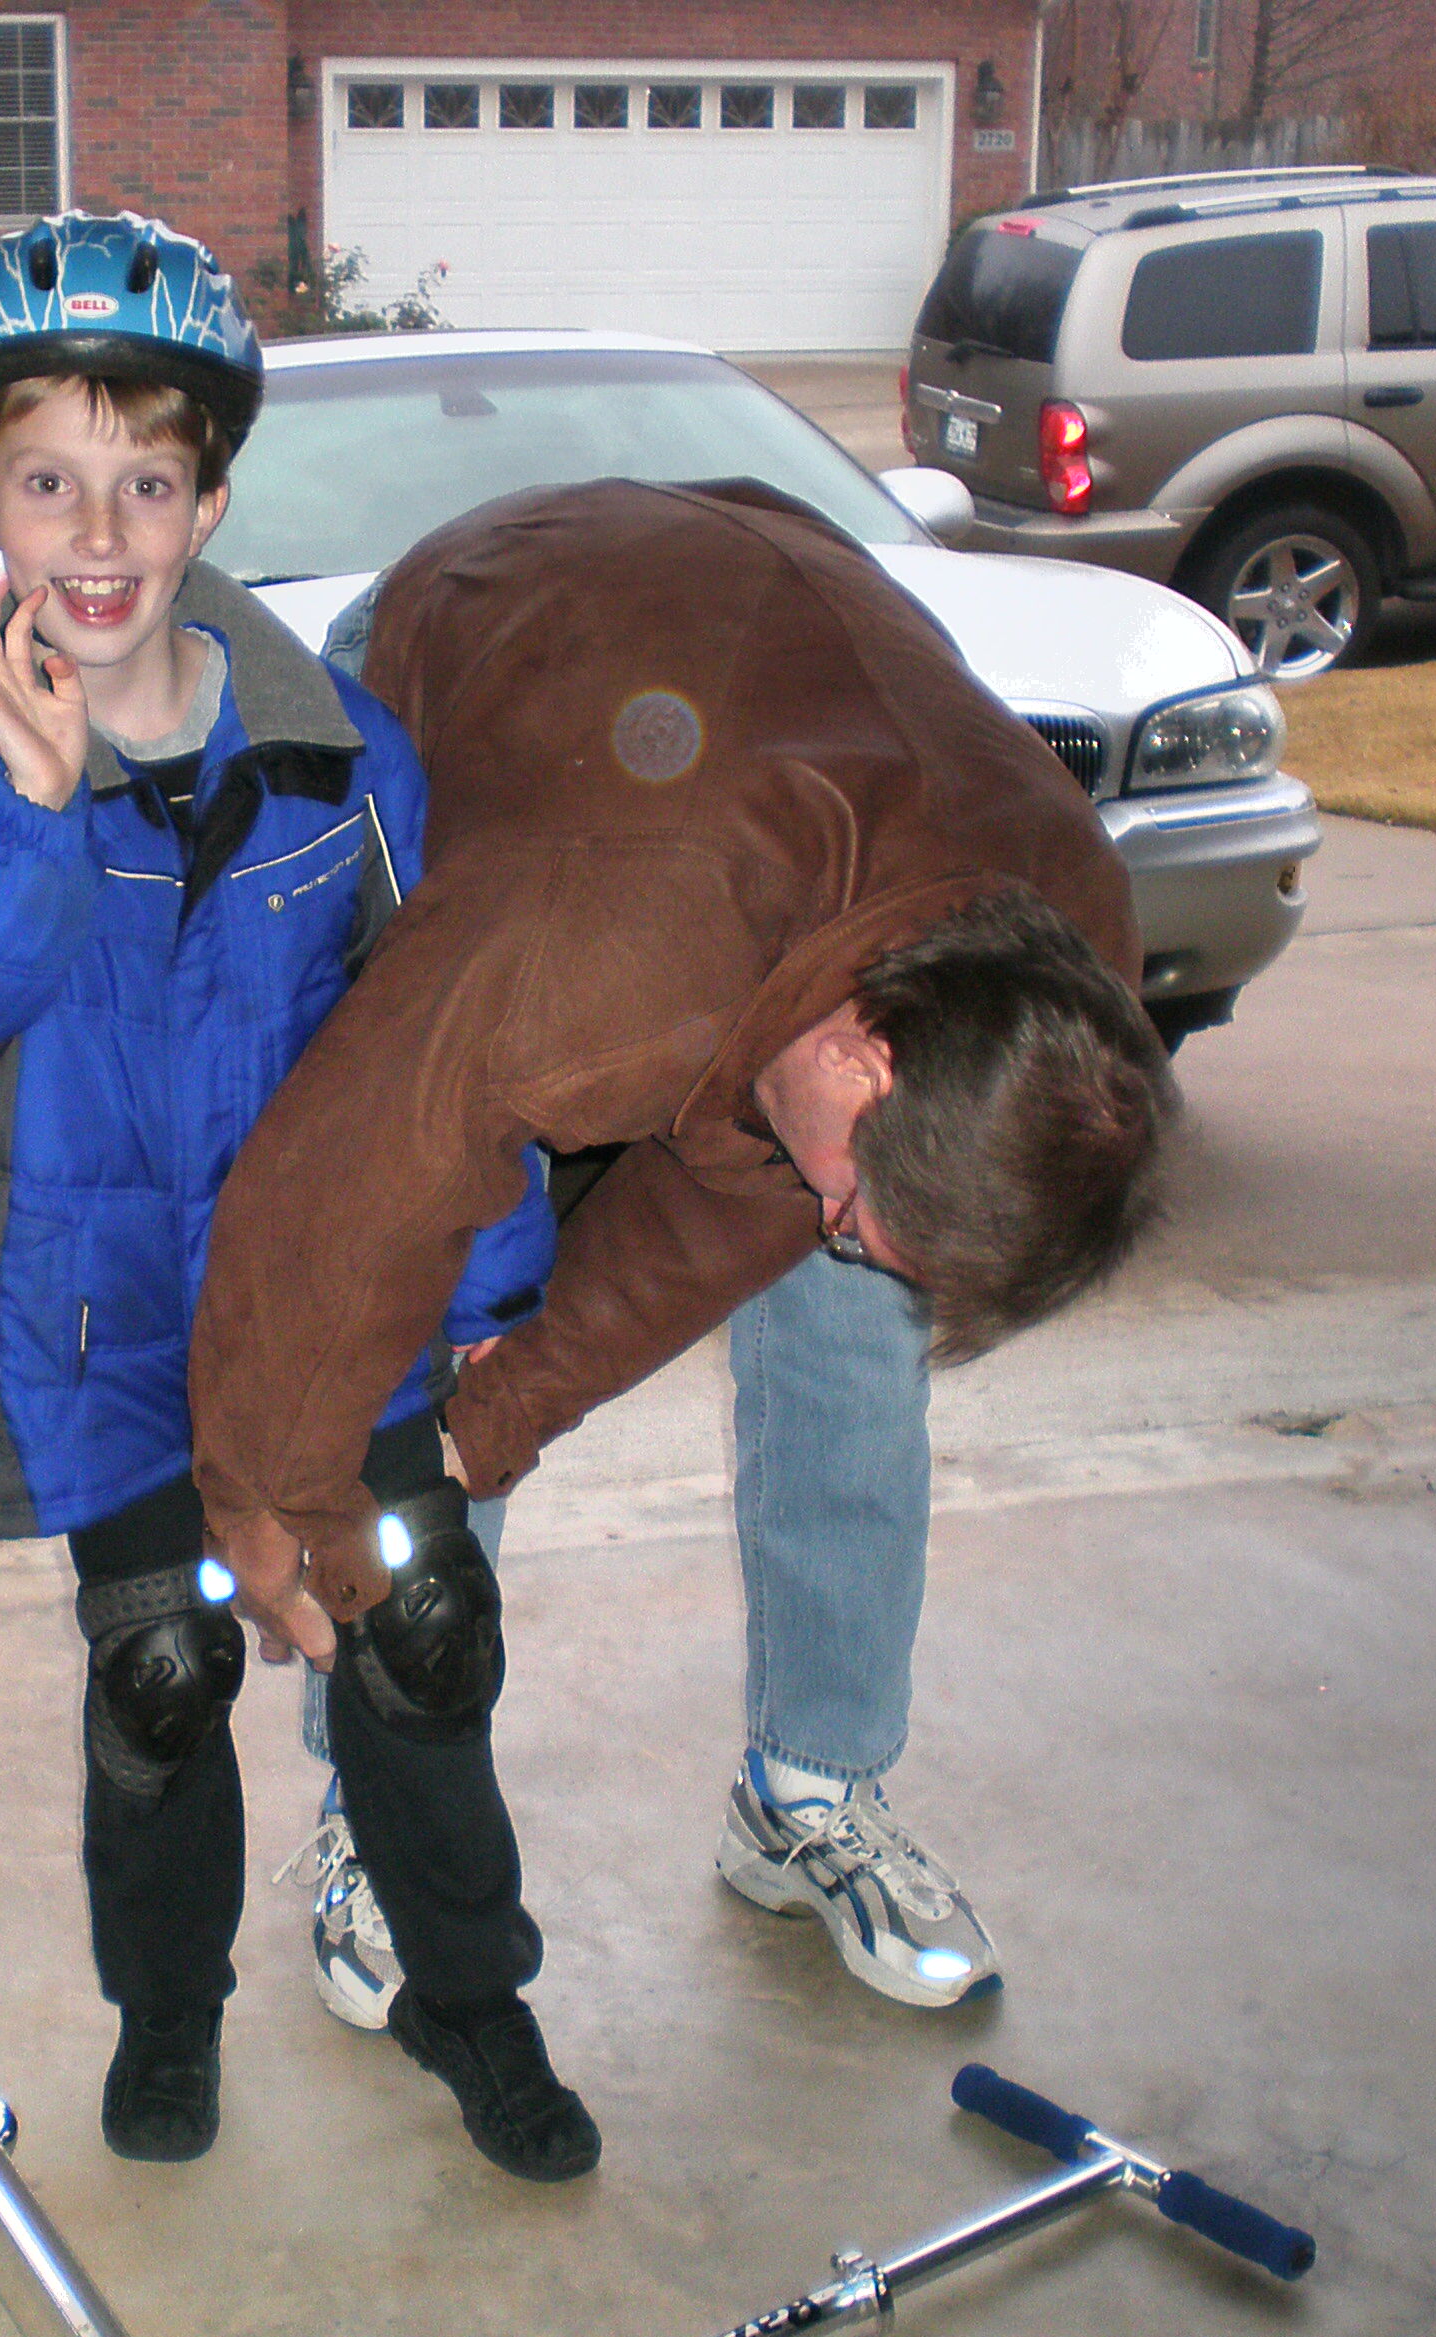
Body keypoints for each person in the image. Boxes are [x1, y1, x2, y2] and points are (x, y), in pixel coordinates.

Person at [0, 212, 591, 2183]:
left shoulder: (341, 758)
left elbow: (435, 1048)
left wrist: (487, 1290)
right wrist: (27, 814)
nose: (96, 533)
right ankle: (170, 2013)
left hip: (336, 1313)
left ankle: (471, 1994)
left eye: (145, 483)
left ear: (210, 497)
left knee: (421, 1639)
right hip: (108, 1329)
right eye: (46, 480)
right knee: (164, 1676)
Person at [191, 477, 1178, 2028]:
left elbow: (744, 1207)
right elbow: (332, 1198)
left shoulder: (1071, 976)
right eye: (853, 1202)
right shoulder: (604, 954)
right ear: (862, 1055)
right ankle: (381, 1810)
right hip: (491, 631)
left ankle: (809, 1795)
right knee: (432, 1302)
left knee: (854, 1334)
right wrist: (273, 1495)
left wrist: (507, 1418)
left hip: (791, 651)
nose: (834, 1231)